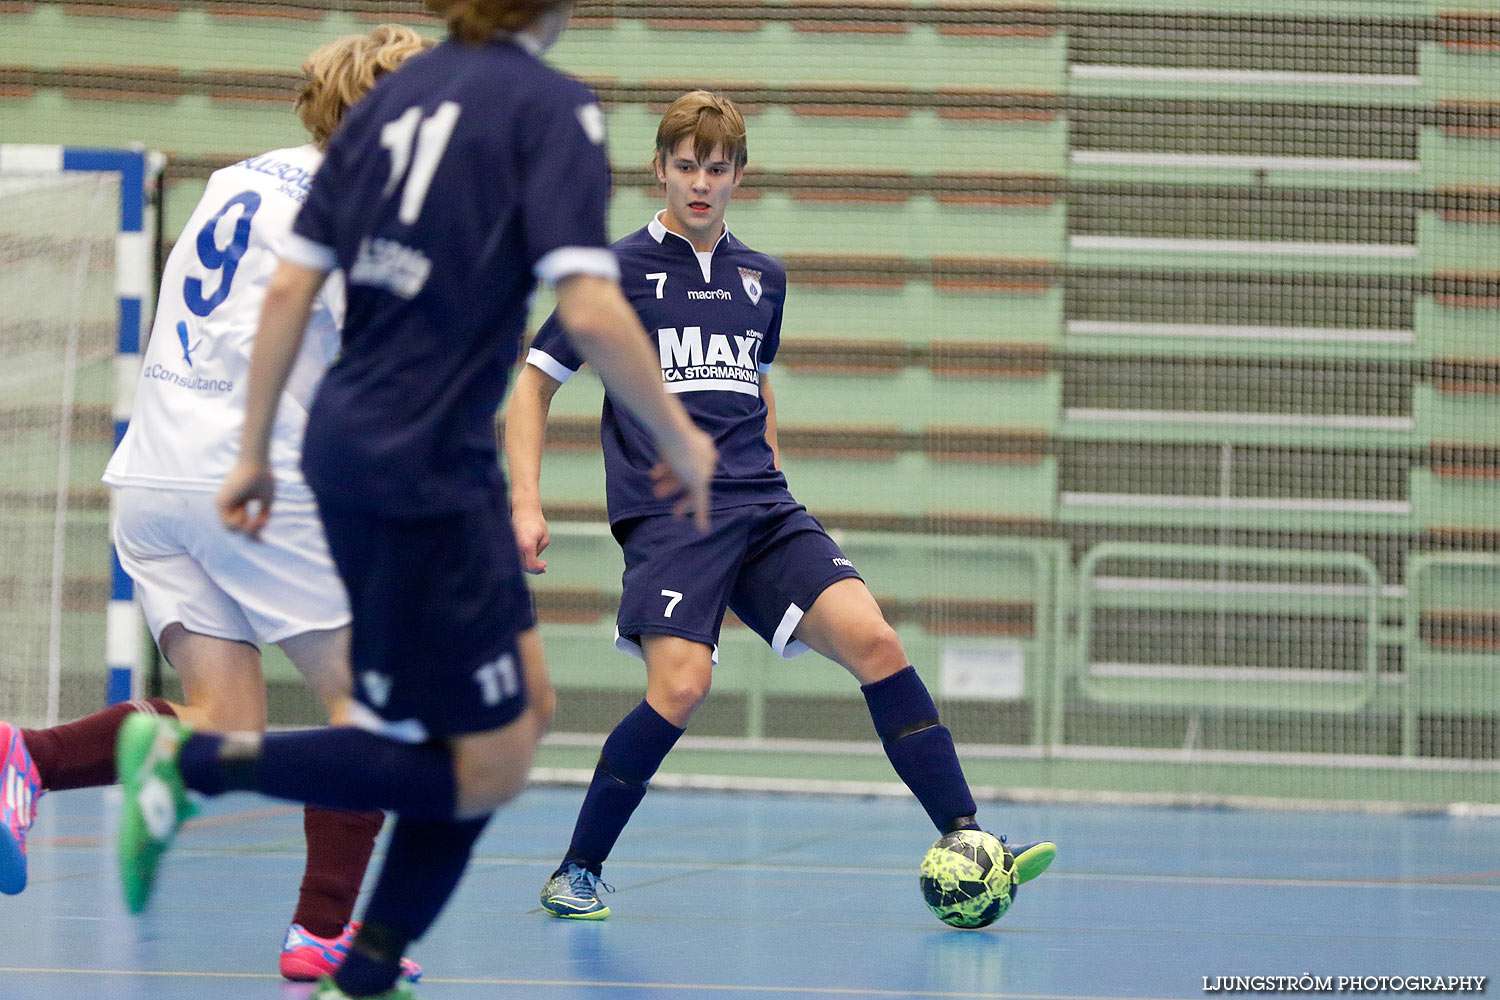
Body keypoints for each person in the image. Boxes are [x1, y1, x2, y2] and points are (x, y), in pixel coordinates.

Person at [112, 1, 717, 997]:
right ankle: (198, 772)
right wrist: (681, 434)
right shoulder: (550, 108)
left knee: (508, 732)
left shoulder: (387, 108)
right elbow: (589, 305)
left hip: (349, 450)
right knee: (467, 754)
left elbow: (288, 290)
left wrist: (256, 449)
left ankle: (357, 946)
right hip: (422, 465)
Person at [504, 90, 1057, 922]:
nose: (699, 181)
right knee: (681, 688)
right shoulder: (612, 273)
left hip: (764, 510)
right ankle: (576, 869)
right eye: (685, 166)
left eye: (716, 168)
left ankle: (972, 839)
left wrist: (771, 473)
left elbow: (755, 387)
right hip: (672, 520)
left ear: (737, 177)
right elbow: (534, 385)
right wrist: (524, 502)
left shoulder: (764, 278)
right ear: (659, 169)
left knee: (875, 637)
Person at [0, 25, 428, 983]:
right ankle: (323, 932)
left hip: (152, 476)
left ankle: (21, 755)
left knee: (224, 719)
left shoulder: (241, 176)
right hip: (249, 484)